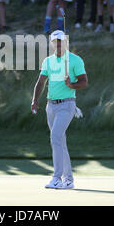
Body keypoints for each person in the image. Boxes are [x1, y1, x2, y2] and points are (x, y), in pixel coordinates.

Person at [31, 30, 88, 190]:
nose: (58, 43)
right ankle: (68, 180)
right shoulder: (48, 61)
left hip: (67, 105)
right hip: (51, 106)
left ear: (65, 42)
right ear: (51, 43)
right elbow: (41, 82)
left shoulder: (75, 60)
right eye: (55, 41)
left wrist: (72, 85)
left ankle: (56, 178)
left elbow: (84, 82)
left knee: (55, 137)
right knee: (60, 143)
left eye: (60, 41)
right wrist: (35, 100)